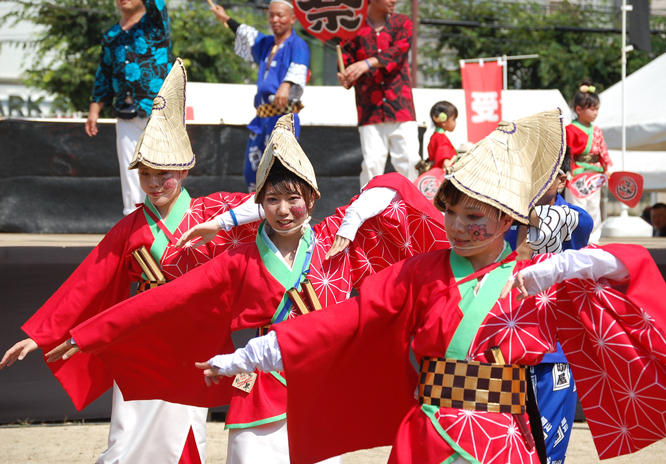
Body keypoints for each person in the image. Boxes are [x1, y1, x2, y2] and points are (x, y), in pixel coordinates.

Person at [197, 110, 666, 464]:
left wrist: (575, 264)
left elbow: (632, 269)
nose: (457, 226)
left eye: (474, 216)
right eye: (452, 212)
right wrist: (255, 355)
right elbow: (344, 318)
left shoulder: (539, 279)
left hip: (502, 438)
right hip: (426, 434)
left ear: (508, 219)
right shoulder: (421, 271)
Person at [52, 114, 449, 464]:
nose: (282, 209)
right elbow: (165, 299)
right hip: (261, 385)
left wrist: (353, 218)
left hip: (319, 384)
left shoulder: (335, 240)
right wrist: (87, 334)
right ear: (260, 204)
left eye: (293, 198)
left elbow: (392, 185)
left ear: (312, 199)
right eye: (271, 200)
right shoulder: (241, 259)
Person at [0, 60, 258, 464]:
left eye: (165, 173)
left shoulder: (214, 214)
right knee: (128, 436)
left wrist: (222, 223)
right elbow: (89, 281)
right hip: (138, 337)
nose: (155, 183)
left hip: (191, 338)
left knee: (183, 433)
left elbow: (271, 212)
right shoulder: (130, 228)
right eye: (146, 174)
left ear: (185, 169)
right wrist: (44, 335)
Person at [505, 149, 594, 464]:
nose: (533, 181)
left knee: (548, 449)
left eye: (544, 174)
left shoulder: (576, 218)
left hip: (555, 346)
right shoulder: (501, 219)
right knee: (501, 442)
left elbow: (555, 222)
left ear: (563, 179)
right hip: (504, 345)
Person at [210, 0, 310, 192]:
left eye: (280, 15)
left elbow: (299, 67)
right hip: (261, 118)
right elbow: (247, 34)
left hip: (283, 118)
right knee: (253, 172)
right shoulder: (266, 44)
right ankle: (257, 219)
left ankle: (279, 218)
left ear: (292, 18)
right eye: (271, 15)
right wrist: (226, 18)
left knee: (279, 172)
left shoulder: (298, 44)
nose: (274, 19)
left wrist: (286, 85)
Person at [86, 0, 172, 215]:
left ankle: (170, 222)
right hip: (125, 113)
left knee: (165, 168)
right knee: (131, 170)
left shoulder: (155, 22)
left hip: (159, 111)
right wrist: (94, 109)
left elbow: (157, 4)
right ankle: (134, 221)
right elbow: (104, 74)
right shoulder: (111, 35)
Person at [338, 0, 420, 186]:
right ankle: (368, 213)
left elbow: (399, 51)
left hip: (401, 107)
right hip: (369, 110)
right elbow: (346, 65)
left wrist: (366, 63)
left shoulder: (402, 23)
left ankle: (416, 211)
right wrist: (346, 77)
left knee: (410, 162)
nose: (394, 1)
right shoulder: (351, 30)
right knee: (371, 165)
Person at [564, 79, 612, 244]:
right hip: (576, 174)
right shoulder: (569, 130)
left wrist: (606, 168)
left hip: (594, 174)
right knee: (577, 207)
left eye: (597, 109)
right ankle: (576, 239)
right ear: (579, 109)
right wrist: (568, 172)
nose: (595, 112)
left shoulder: (596, 130)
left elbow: (602, 151)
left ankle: (593, 239)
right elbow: (567, 152)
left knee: (593, 207)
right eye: (592, 109)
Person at [426, 101, 459, 171]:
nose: (455, 123)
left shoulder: (434, 136)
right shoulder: (442, 138)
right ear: (443, 120)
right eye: (454, 119)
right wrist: (446, 161)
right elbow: (445, 157)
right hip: (442, 174)